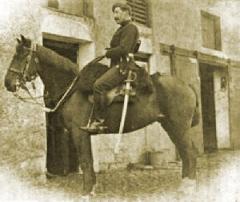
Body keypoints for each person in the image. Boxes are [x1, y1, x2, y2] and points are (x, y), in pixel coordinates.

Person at [81, 3, 140, 133]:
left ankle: (99, 121)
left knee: (98, 86)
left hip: (123, 67)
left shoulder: (130, 28)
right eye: (114, 13)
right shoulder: (122, 29)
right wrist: (109, 52)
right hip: (117, 65)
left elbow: (124, 49)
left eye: (117, 12)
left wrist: (107, 53)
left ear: (126, 12)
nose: (115, 16)